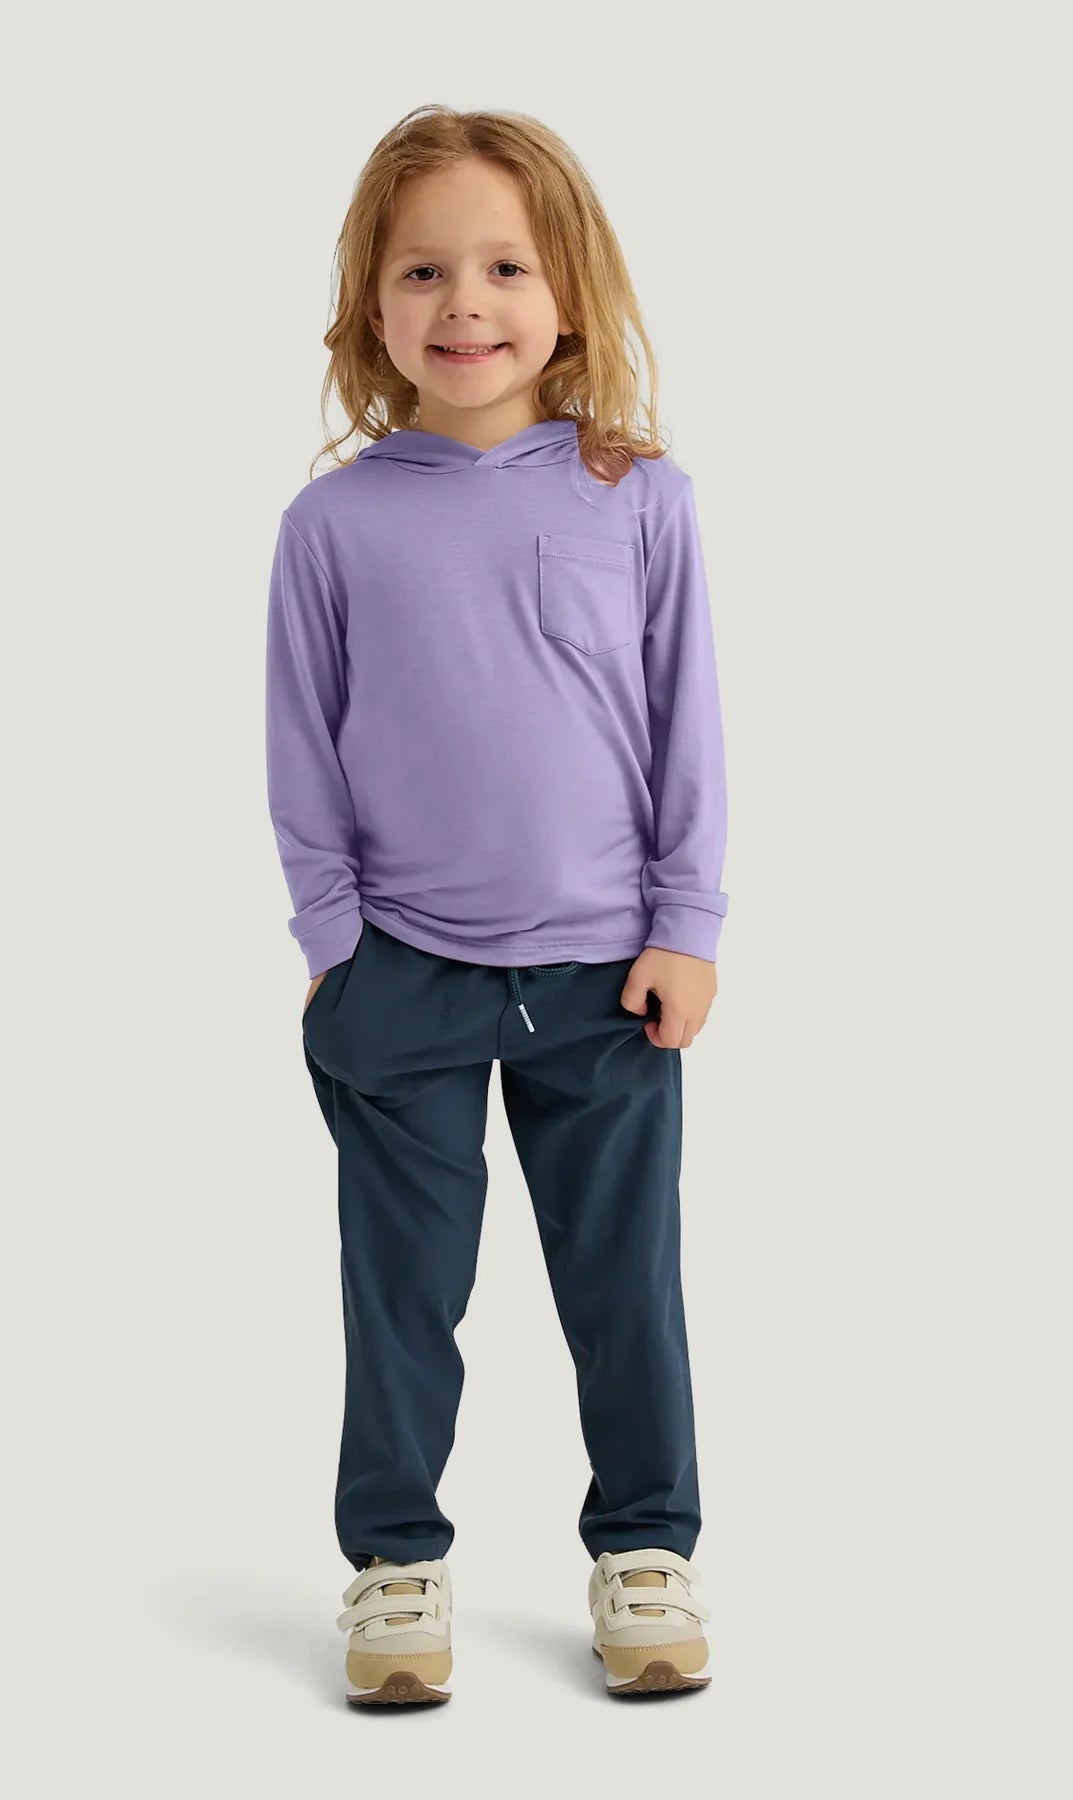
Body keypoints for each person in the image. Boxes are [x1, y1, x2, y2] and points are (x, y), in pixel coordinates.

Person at [264, 105, 724, 1705]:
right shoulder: (333, 525)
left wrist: (687, 925)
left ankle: (646, 1546)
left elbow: (686, 727)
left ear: (569, 293)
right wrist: (334, 947)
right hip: (403, 972)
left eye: (506, 267)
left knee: (624, 1285)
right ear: (372, 307)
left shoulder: (638, 497)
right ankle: (395, 1563)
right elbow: (300, 746)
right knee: (402, 1291)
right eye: (423, 271)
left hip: (607, 974)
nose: (466, 302)